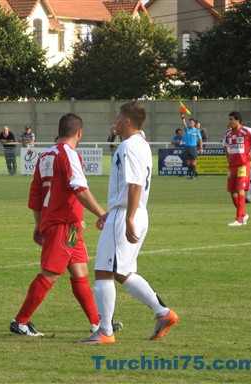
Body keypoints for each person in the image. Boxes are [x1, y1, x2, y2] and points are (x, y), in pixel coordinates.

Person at [79, 101, 178, 345]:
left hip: (126, 213)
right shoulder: (141, 144)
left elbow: (134, 184)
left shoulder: (128, 146)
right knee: (122, 272)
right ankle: (164, 314)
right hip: (132, 212)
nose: (113, 121)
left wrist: (128, 218)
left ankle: (104, 332)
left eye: (117, 117)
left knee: (103, 271)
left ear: (127, 121)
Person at [10, 113, 108, 337]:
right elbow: (79, 189)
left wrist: (38, 224)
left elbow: (36, 194)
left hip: (68, 224)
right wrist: (102, 213)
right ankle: (21, 321)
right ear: (79, 133)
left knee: (80, 270)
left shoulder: (45, 155)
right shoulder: (69, 154)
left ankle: (97, 323)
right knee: (51, 273)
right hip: (62, 224)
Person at [222, 111, 251, 226]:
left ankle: (238, 219)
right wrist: (227, 155)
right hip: (232, 166)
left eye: (231, 119)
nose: (229, 121)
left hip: (243, 164)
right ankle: (244, 214)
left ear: (238, 120)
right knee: (232, 192)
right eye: (229, 119)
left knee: (240, 189)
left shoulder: (247, 131)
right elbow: (225, 145)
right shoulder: (228, 133)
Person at [180, 114, 203, 179]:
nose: (190, 124)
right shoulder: (187, 129)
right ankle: (189, 175)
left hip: (193, 148)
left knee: (193, 162)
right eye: (189, 123)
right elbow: (184, 123)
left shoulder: (197, 131)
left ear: (194, 123)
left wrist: (201, 148)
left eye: (191, 123)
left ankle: (193, 175)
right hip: (187, 147)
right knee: (188, 162)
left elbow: (200, 140)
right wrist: (182, 117)